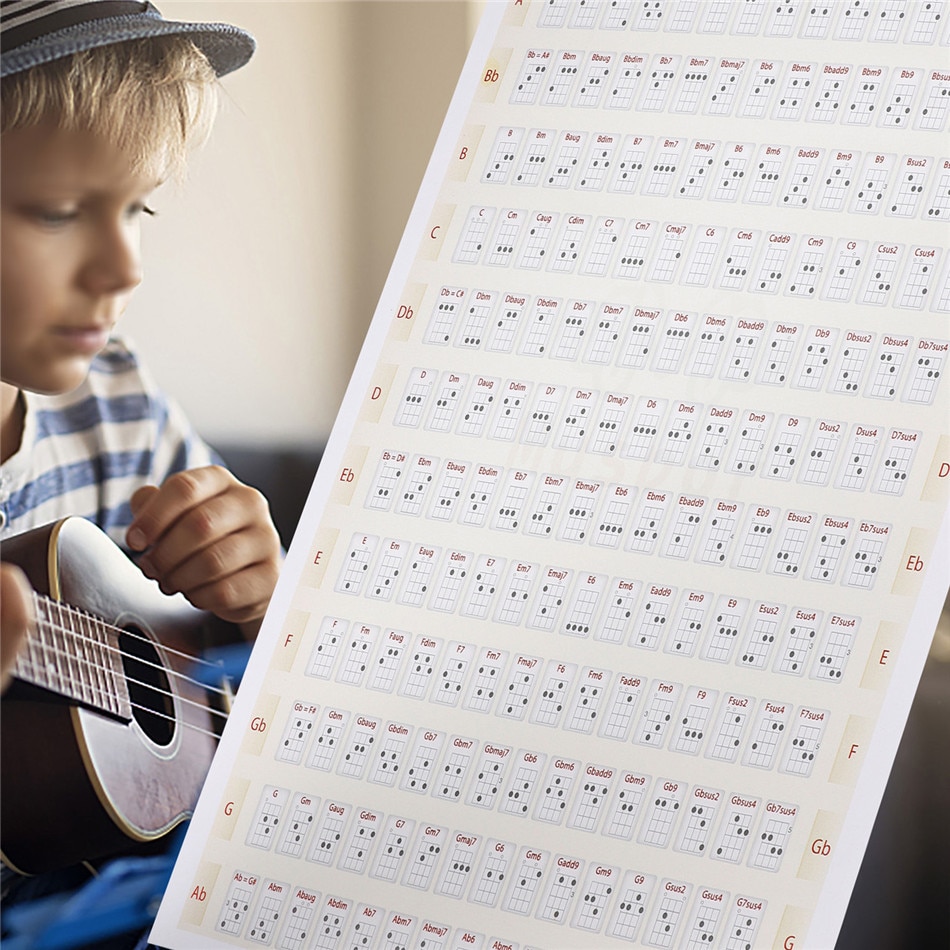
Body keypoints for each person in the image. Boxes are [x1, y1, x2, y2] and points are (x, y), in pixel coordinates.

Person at [0, 0, 282, 933]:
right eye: (57, 212)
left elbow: (224, 660)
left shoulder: (112, 397)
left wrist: (253, 591)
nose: (125, 268)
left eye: (139, 208)